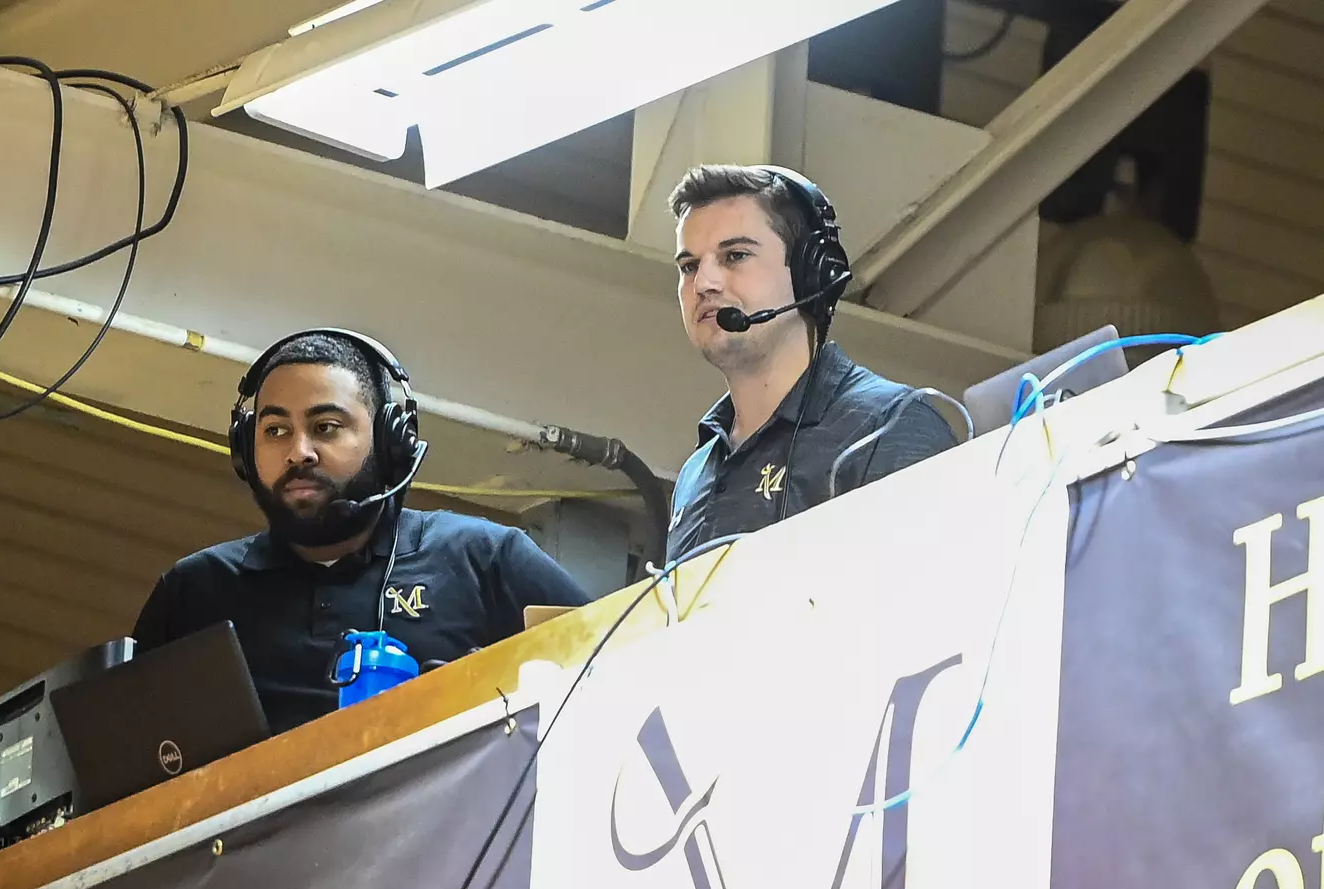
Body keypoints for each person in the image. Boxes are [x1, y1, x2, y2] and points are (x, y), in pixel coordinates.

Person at [132, 329, 591, 735]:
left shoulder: (484, 557)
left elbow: (617, 673)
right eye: (274, 430)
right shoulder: (192, 592)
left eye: (325, 427)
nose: (299, 452)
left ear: (391, 440)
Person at [666, 164, 959, 561]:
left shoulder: (890, 426)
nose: (704, 283)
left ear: (811, 274)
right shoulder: (695, 472)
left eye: (735, 255)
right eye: (689, 266)